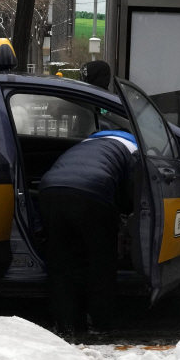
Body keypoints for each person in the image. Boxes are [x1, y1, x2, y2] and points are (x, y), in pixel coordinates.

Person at [38, 129, 138, 335]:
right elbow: (130, 191)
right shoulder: (133, 148)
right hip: (93, 189)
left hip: (49, 187)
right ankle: (101, 322)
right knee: (101, 262)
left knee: (59, 261)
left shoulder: (84, 143)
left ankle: (65, 322)